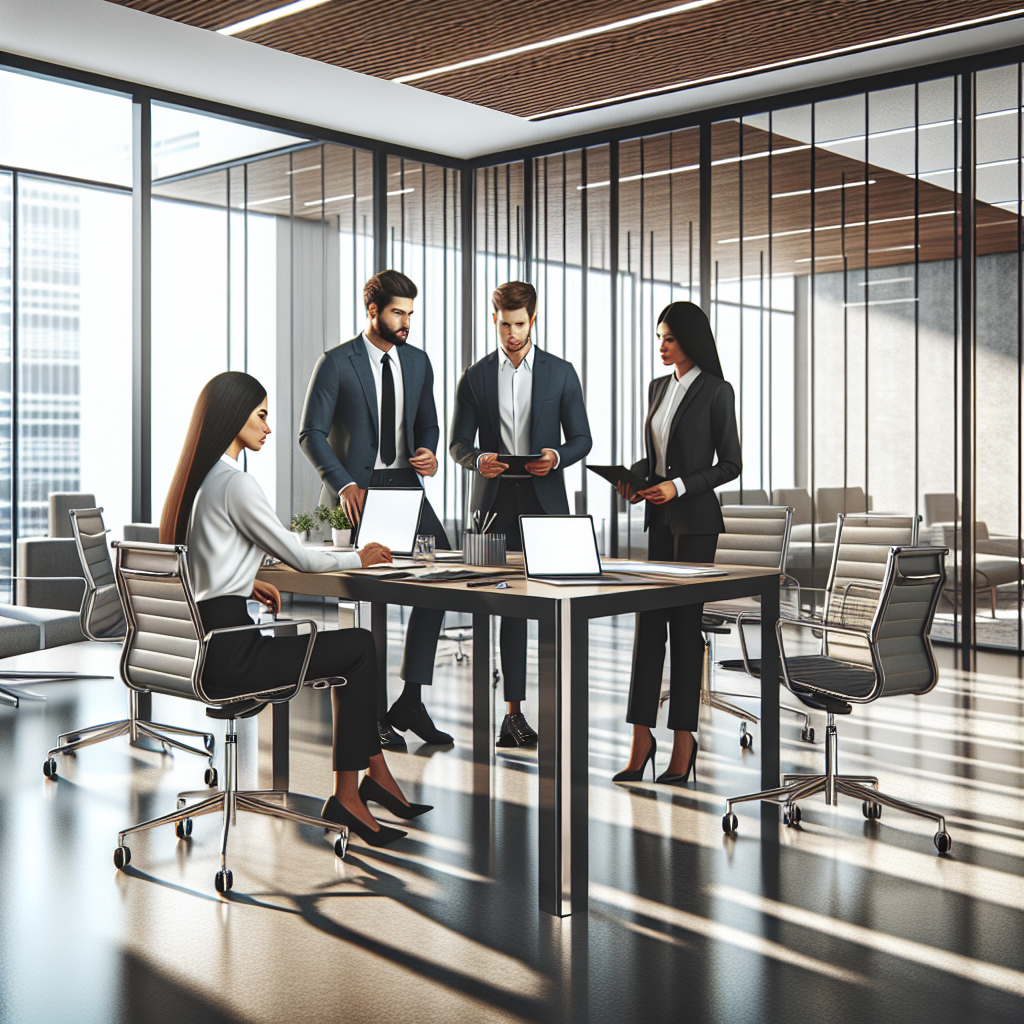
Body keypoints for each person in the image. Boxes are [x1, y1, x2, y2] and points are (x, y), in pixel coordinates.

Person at [161, 371, 431, 848]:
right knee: (359, 647)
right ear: (233, 419)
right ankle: (351, 794)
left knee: (351, 649)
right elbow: (302, 558)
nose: (269, 427)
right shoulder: (236, 484)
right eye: (261, 416)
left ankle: (375, 777)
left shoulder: (198, 482)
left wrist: (247, 582)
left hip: (206, 646)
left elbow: (201, 568)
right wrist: (360, 556)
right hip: (235, 658)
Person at [299, 270, 452, 750]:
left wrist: (427, 450)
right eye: (396, 312)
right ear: (373, 311)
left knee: (441, 577)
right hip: (358, 492)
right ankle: (370, 711)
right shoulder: (336, 362)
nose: (405, 322)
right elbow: (311, 434)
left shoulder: (420, 362)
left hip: (406, 487)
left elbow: (428, 423)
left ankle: (411, 698)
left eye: (409, 313)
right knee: (372, 597)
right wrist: (342, 483)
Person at [450, 281, 592, 745]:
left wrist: (555, 456)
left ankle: (559, 707)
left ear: (533, 320)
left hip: (545, 498)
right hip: (493, 503)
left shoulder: (561, 373)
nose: (512, 333)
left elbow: (582, 439)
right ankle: (512, 714)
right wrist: (477, 461)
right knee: (506, 610)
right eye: (505, 324)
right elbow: (457, 444)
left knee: (557, 603)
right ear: (495, 320)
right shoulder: (474, 377)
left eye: (520, 324)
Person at [615, 301, 741, 784]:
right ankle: (640, 738)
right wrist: (635, 480)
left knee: (685, 632)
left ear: (690, 338)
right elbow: (656, 457)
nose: (662, 346)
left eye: (669, 337)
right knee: (649, 628)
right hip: (660, 520)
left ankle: (683, 742)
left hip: (696, 523)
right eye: (659, 337)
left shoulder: (716, 391)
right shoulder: (657, 388)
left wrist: (680, 486)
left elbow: (731, 463)